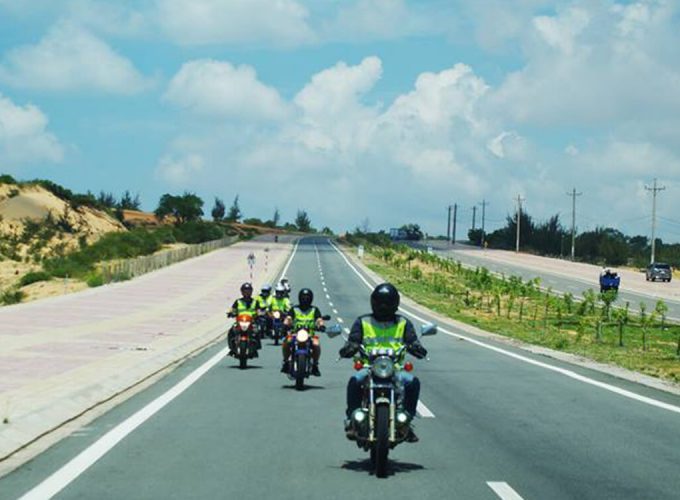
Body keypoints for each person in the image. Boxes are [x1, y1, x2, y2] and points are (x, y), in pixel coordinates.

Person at [339, 283, 427, 442]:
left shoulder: (403, 323)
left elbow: (413, 340)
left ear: (395, 303)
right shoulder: (363, 322)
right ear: (373, 302)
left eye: (387, 303)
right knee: (354, 381)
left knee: (413, 382)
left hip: (396, 370)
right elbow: (353, 340)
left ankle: (406, 420)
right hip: (369, 368)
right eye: (380, 302)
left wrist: (417, 347)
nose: (383, 306)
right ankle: (351, 419)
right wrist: (349, 347)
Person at [282, 288, 324, 376]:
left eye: (307, 297)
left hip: (309, 335)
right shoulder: (294, 309)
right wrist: (285, 324)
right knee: (287, 342)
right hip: (295, 334)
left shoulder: (314, 309)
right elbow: (288, 318)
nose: (305, 299)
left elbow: (319, 319)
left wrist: (321, 325)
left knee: (316, 344)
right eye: (303, 297)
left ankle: (315, 365)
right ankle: (286, 362)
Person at [227, 282, 262, 355]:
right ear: (242, 292)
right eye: (245, 291)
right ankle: (232, 348)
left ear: (251, 292)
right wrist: (230, 313)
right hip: (240, 321)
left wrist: (259, 314)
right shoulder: (238, 301)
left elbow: (259, 310)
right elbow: (232, 309)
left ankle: (256, 347)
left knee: (257, 331)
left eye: (248, 291)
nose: (247, 292)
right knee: (231, 331)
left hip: (251, 322)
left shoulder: (255, 302)